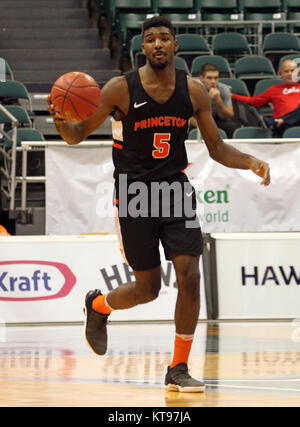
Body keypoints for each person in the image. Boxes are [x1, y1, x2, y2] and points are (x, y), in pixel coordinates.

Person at [48, 16, 270, 393]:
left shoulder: (194, 91)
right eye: (150, 39)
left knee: (190, 274)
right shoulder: (120, 88)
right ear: (143, 49)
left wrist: (250, 161)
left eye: (164, 38)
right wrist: (59, 117)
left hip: (174, 191)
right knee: (147, 289)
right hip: (134, 195)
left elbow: (216, 148)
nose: (158, 45)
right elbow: (78, 134)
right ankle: (99, 306)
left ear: (175, 46)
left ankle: (178, 367)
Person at [231, 59, 300, 137]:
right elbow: (254, 101)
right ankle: (279, 121)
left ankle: (279, 121)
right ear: (281, 74)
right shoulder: (274, 89)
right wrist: (232, 96)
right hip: (282, 128)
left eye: (292, 71)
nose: (290, 74)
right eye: (286, 71)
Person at [190, 63, 236, 137]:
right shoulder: (193, 89)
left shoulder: (223, 89)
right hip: (197, 119)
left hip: (216, 119)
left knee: (230, 126)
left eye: (216, 78)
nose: (213, 81)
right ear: (201, 78)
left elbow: (228, 116)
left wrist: (218, 100)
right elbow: (185, 114)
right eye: (209, 78)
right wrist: (200, 125)